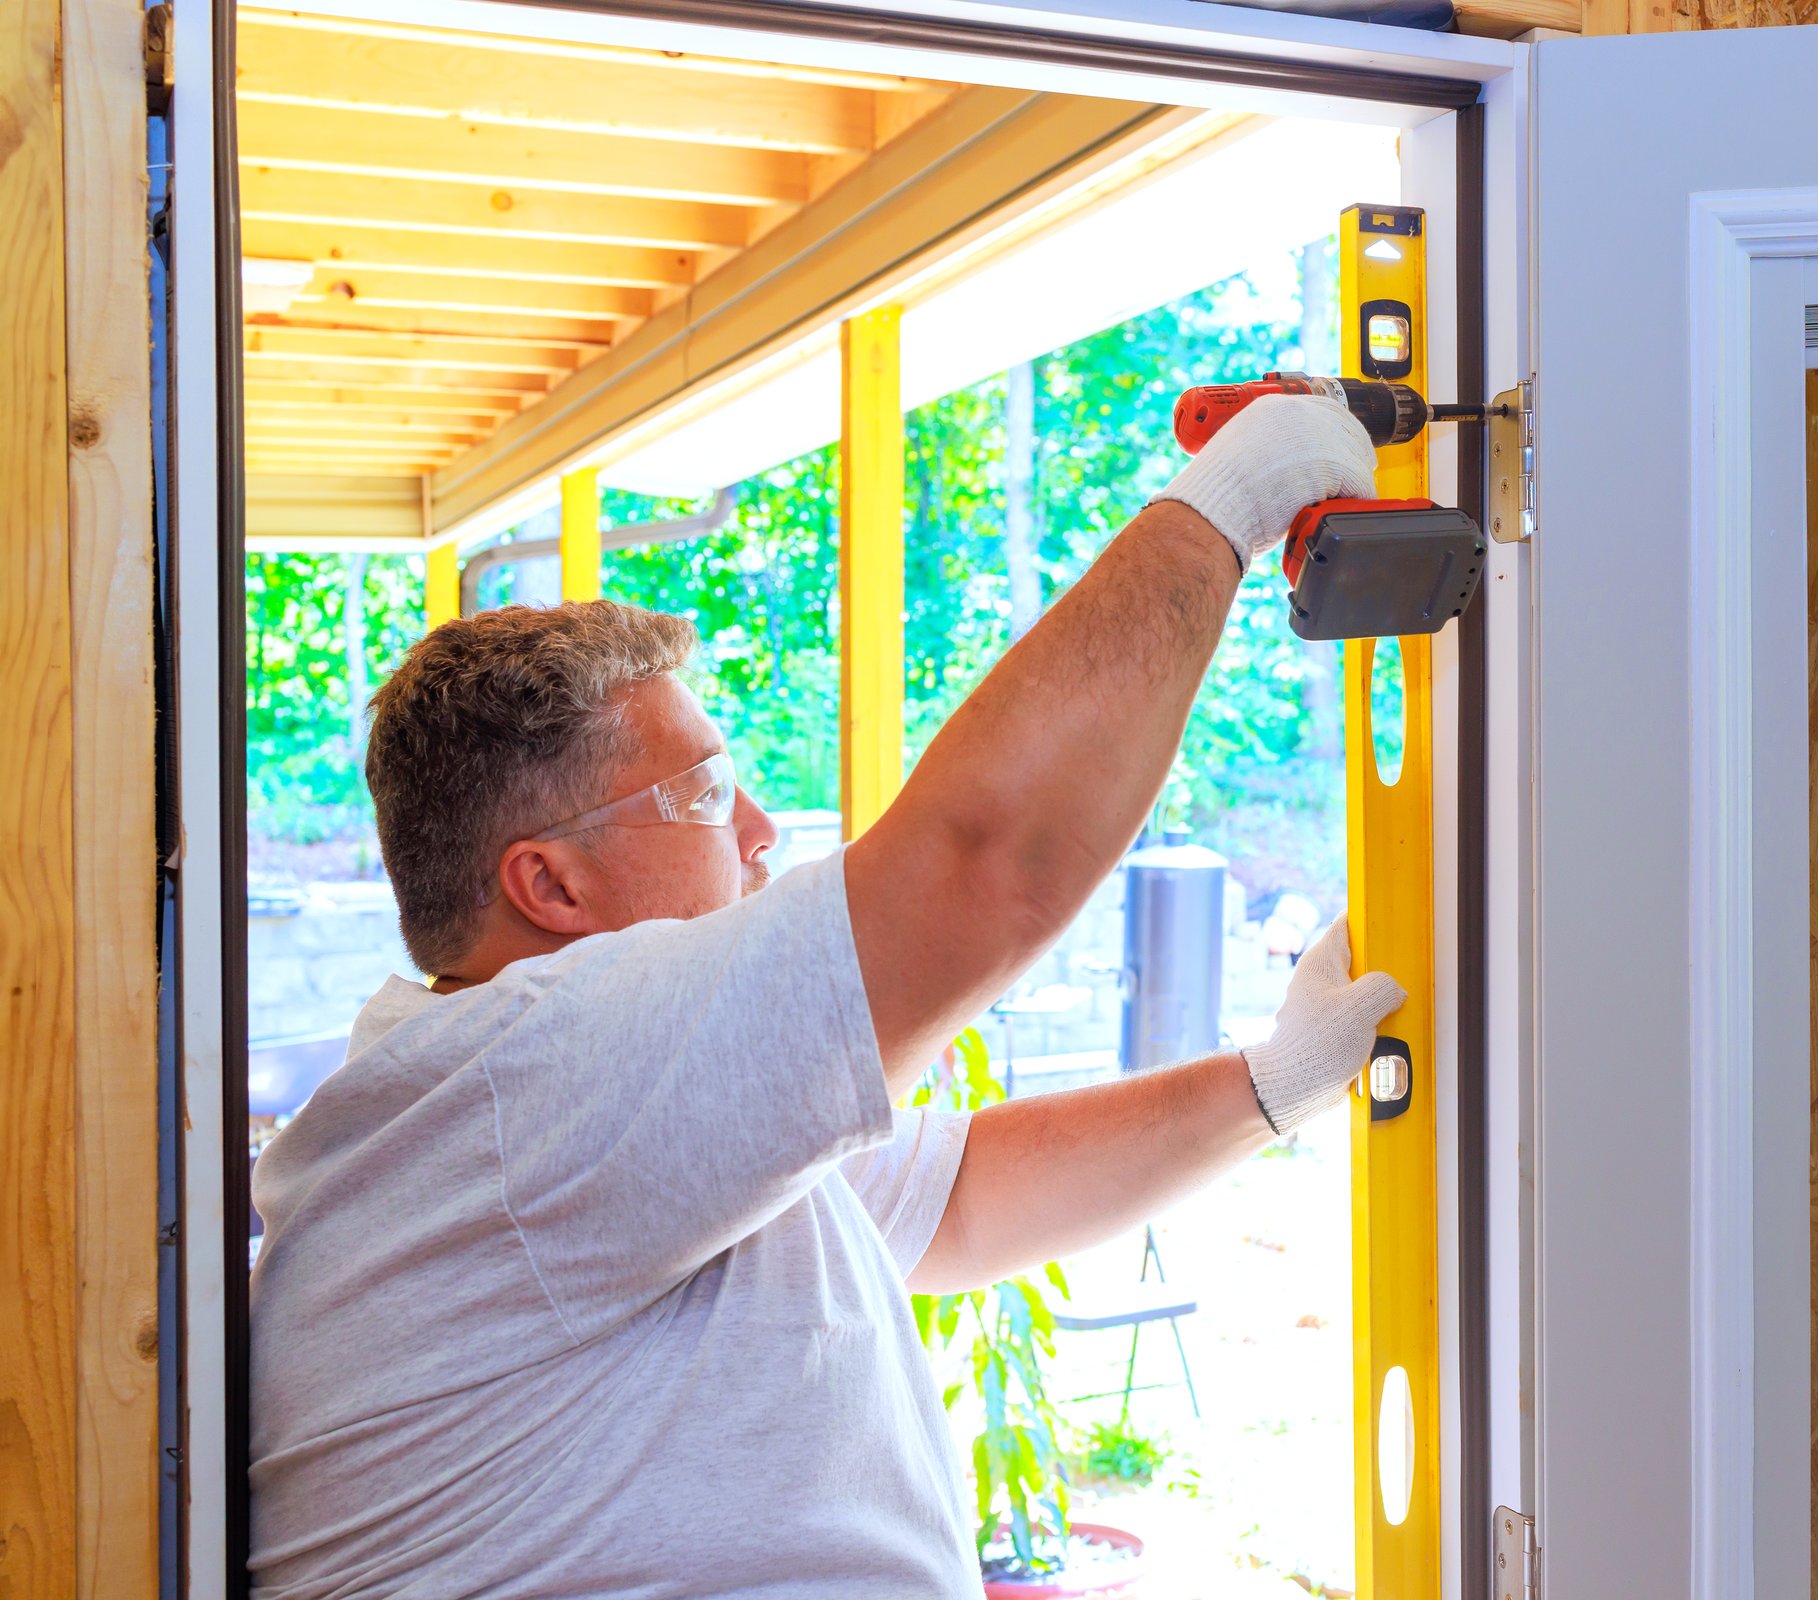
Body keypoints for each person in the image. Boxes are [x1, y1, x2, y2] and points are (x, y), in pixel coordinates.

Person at [246, 395, 1405, 1599]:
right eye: (705, 795)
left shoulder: (596, 1121)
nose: (758, 832)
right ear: (550, 883)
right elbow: (988, 869)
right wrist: (1229, 499)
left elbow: (958, 1201)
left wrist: (1276, 1081)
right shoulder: (522, 1076)